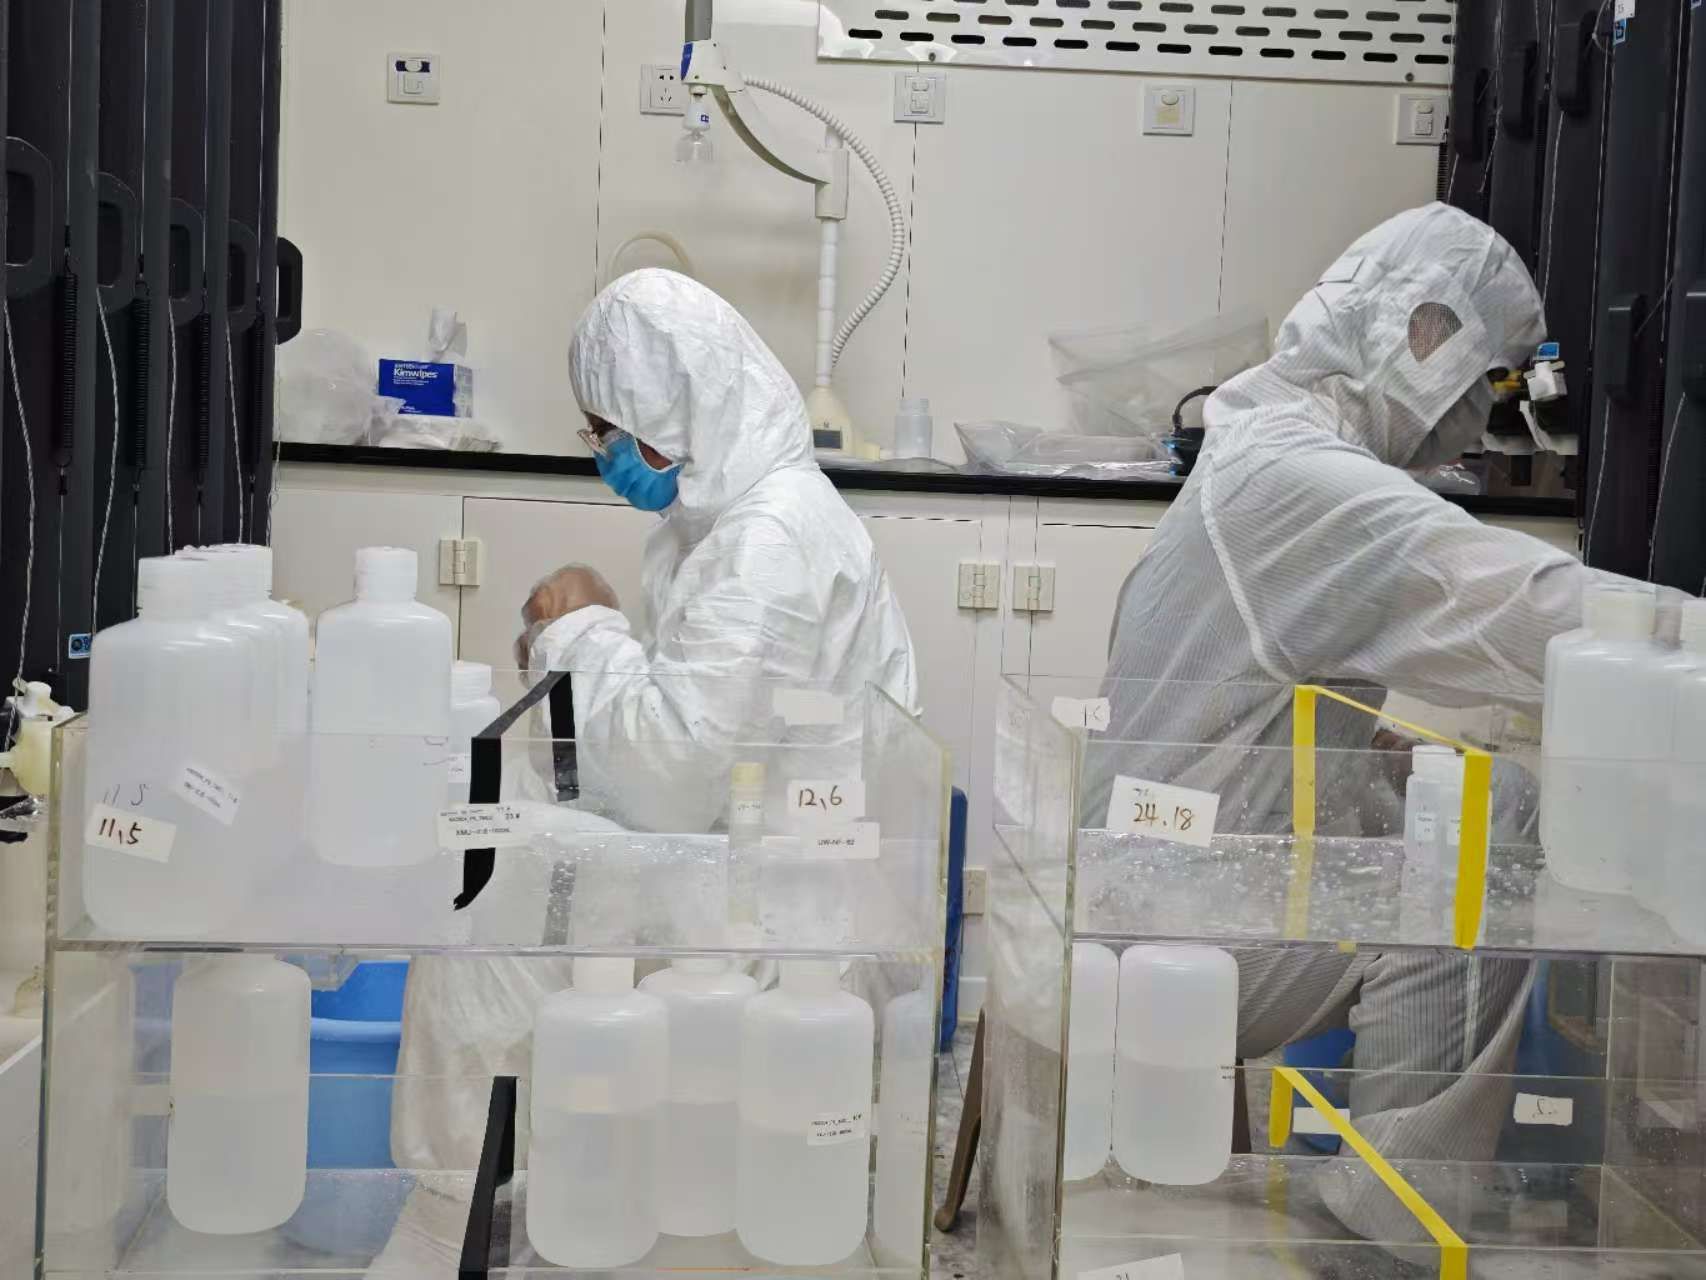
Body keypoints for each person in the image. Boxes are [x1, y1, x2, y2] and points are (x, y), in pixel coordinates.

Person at [1087, 203, 1663, 1241]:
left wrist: (1379, 754)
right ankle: (1393, 1217)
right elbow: (1528, 608)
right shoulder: (1300, 481)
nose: (1474, 420)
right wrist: (1682, 635)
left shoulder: (1257, 440)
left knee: (1481, 795)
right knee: (1488, 853)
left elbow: (1252, 698)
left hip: (1145, 870)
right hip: (1184, 930)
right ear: (1422, 330)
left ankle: (1385, 1149)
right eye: (1479, 376)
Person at [372, 271, 918, 1277]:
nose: (602, 455)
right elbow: (695, 739)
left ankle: (450, 1209)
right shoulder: (730, 519)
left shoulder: (768, 539)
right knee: (504, 837)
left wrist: (584, 628)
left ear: (671, 408)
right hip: (749, 857)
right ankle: (494, 1186)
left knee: (489, 891)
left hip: (777, 910)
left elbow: (669, 774)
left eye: (607, 430)